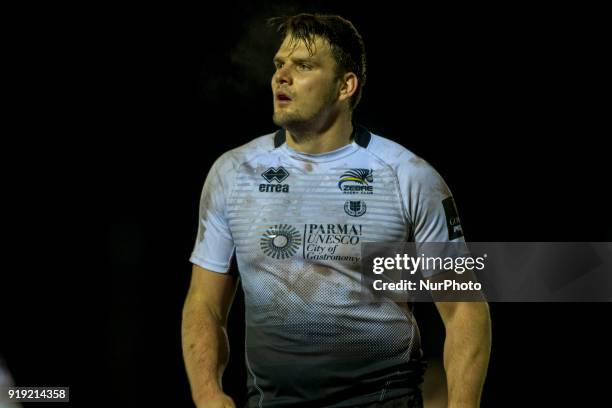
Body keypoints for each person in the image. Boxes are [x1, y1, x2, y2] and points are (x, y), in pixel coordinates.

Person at [182, 13, 491, 408]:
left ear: (346, 85)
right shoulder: (233, 172)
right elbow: (204, 302)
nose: (282, 76)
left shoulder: (408, 176)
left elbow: (465, 309)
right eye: (279, 64)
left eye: (304, 65)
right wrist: (207, 392)